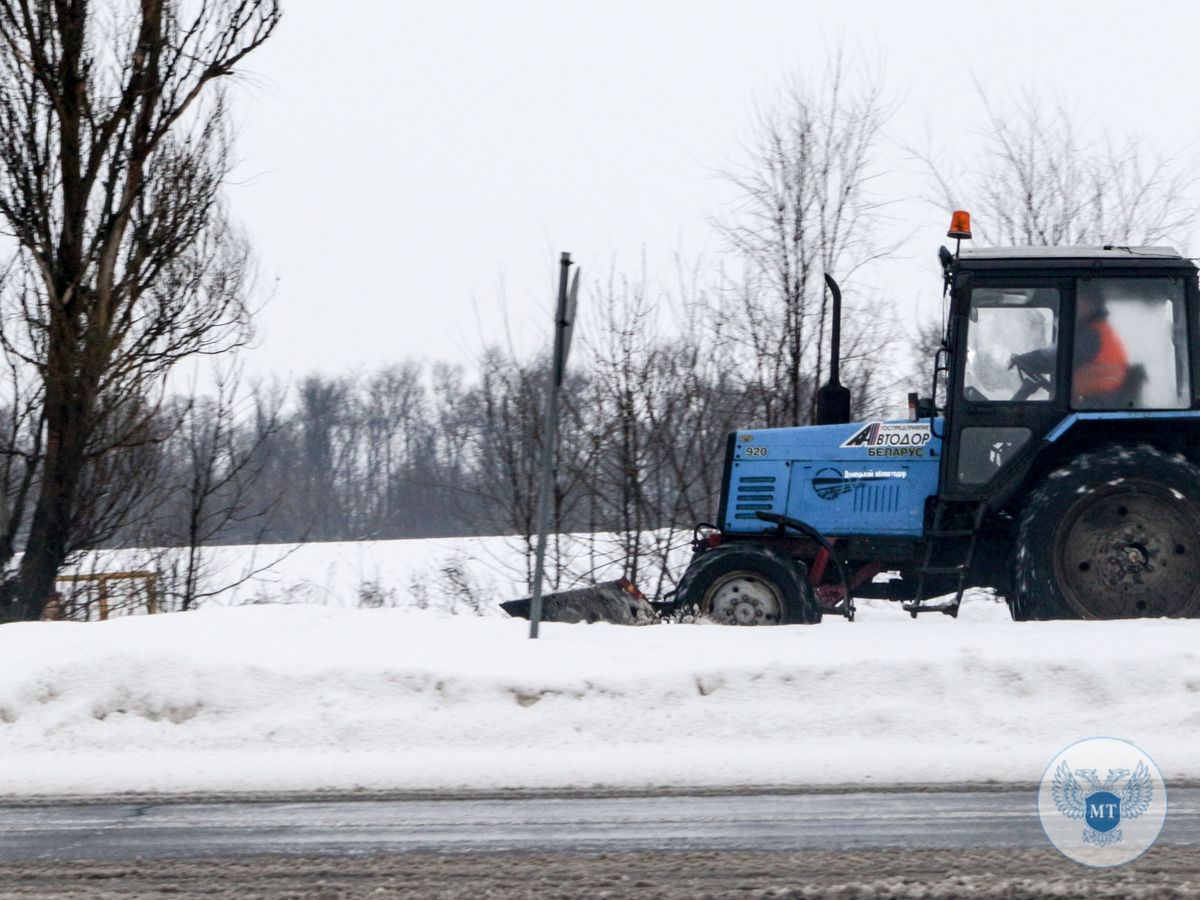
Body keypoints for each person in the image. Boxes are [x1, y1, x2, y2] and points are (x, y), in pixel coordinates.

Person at [1007, 285, 1129, 404]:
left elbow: (1060, 356)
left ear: (1091, 304)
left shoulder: (1093, 333)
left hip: (1096, 403)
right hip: (1091, 400)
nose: (1076, 308)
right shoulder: (1092, 329)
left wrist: (1025, 360)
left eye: (1079, 302)